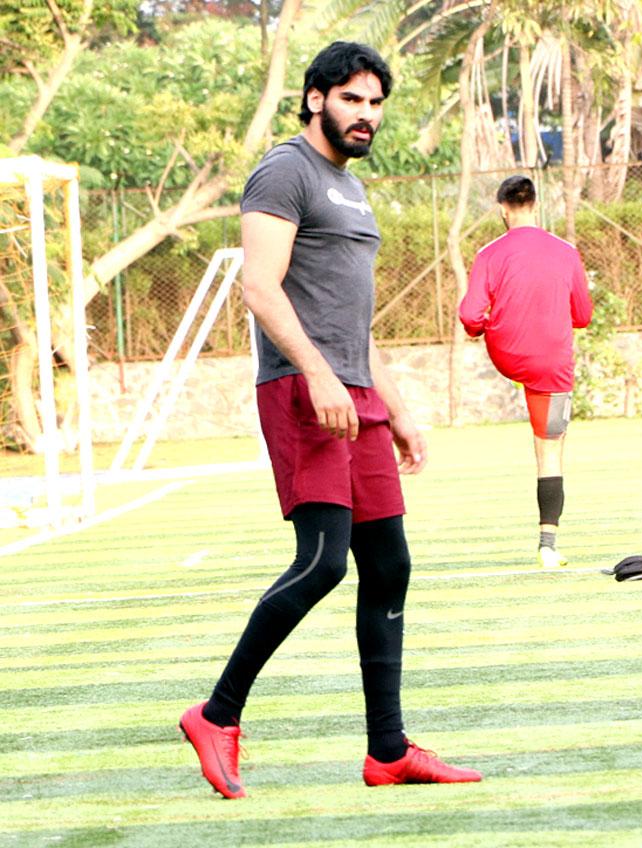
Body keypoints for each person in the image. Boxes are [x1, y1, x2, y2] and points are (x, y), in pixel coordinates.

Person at [179, 41, 482, 798]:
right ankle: (216, 716)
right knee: (323, 563)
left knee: (390, 565)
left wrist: (398, 408)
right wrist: (317, 373)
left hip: (358, 396)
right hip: (303, 390)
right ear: (316, 98)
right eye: (352, 99)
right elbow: (259, 285)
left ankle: (388, 750)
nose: (366, 115)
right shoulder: (286, 171)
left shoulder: (351, 188)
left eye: (376, 103)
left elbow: (354, 318)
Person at [459, 175, 593, 568]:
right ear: (535, 205)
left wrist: (478, 330)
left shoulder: (489, 253)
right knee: (550, 449)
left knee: (538, 415)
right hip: (551, 362)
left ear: (503, 208)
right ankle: (548, 546)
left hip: (507, 353)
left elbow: (469, 313)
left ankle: (548, 545)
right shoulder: (566, 251)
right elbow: (583, 315)